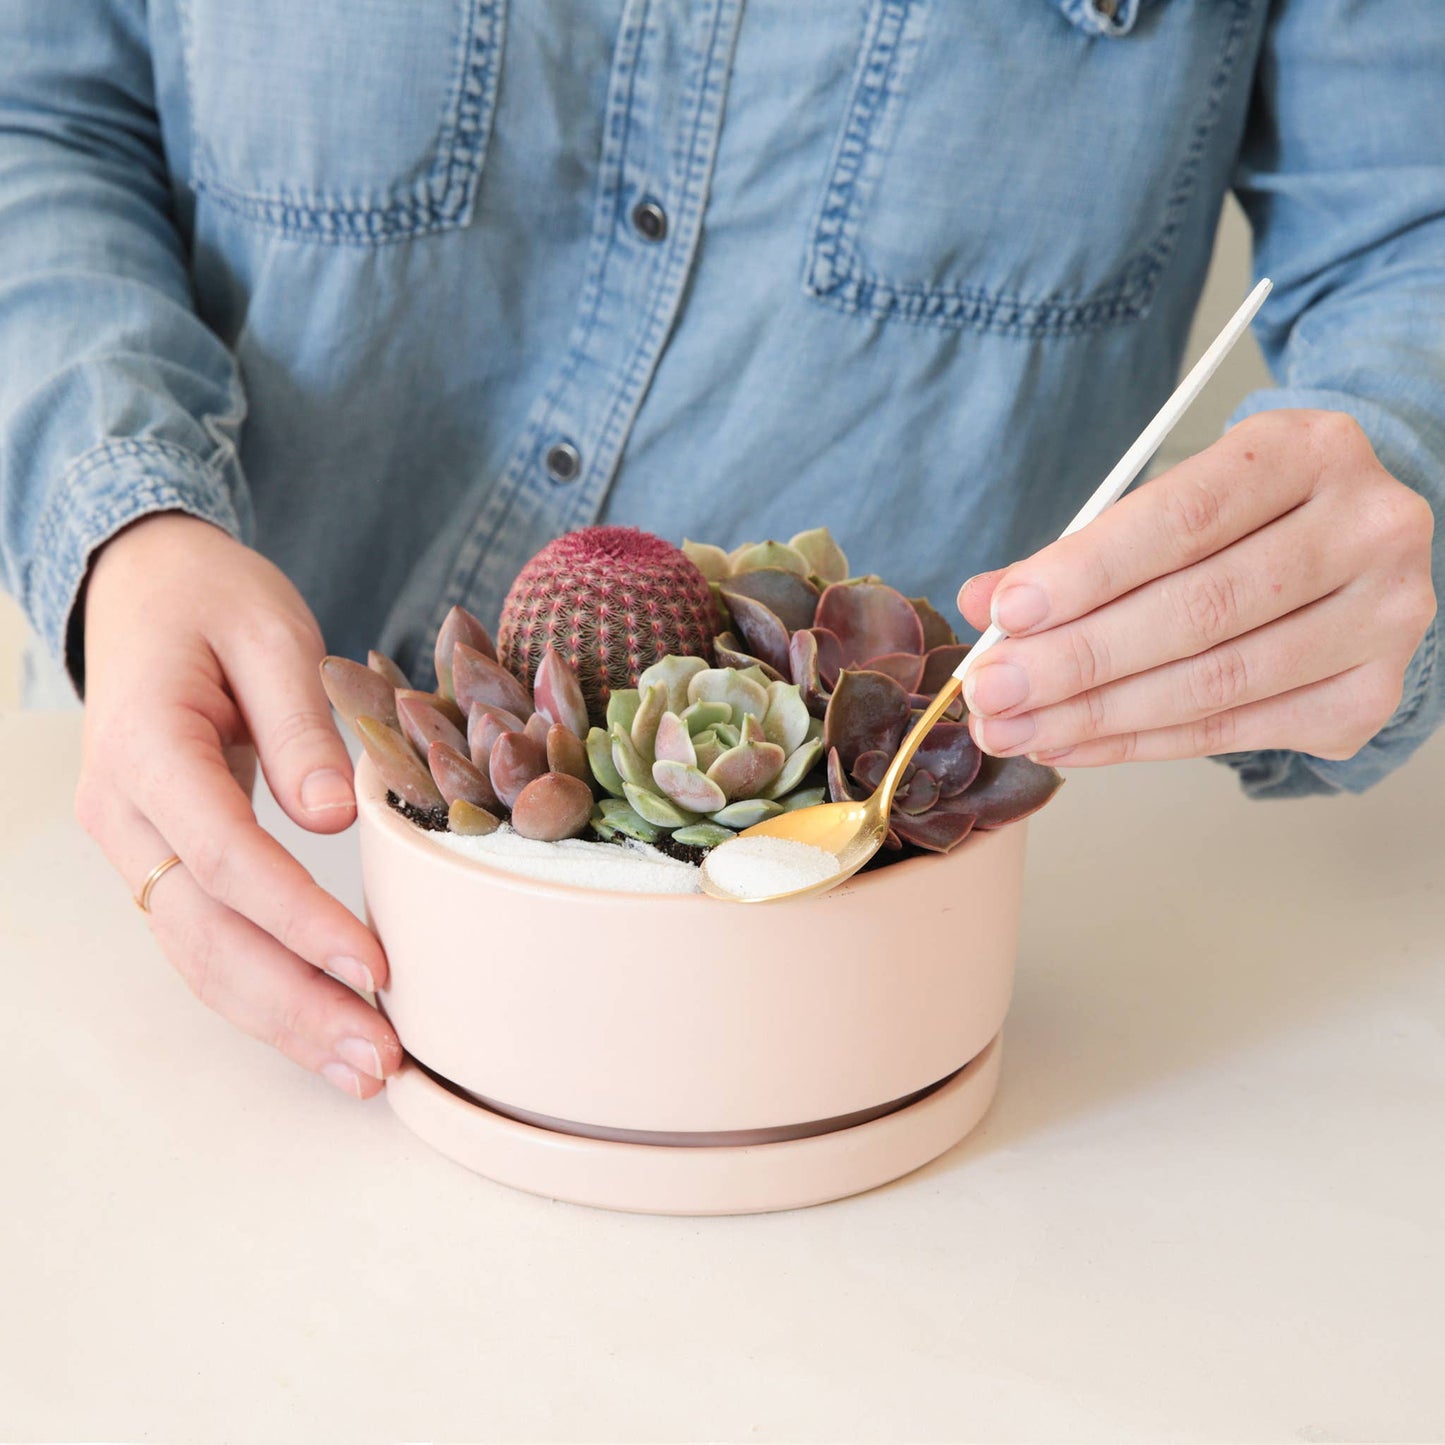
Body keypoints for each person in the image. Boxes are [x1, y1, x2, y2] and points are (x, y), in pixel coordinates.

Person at [1, 2, 1439, 1102]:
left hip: (933, 1037)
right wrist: (119, 517)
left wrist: (1397, 467)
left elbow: (1411, 233)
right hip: (209, 912)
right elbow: (38, 108)